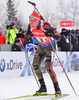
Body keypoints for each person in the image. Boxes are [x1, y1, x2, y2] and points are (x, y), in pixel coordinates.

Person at [18, 12, 61, 94]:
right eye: (30, 22)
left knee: (48, 68)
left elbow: (58, 36)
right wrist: (21, 35)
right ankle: (43, 86)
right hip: (41, 47)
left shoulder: (45, 26)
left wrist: (51, 34)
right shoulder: (30, 27)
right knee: (35, 64)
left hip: (50, 47)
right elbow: (28, 34)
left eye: (32, 22)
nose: (31, 24)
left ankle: (57, 88)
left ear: (38, 21)